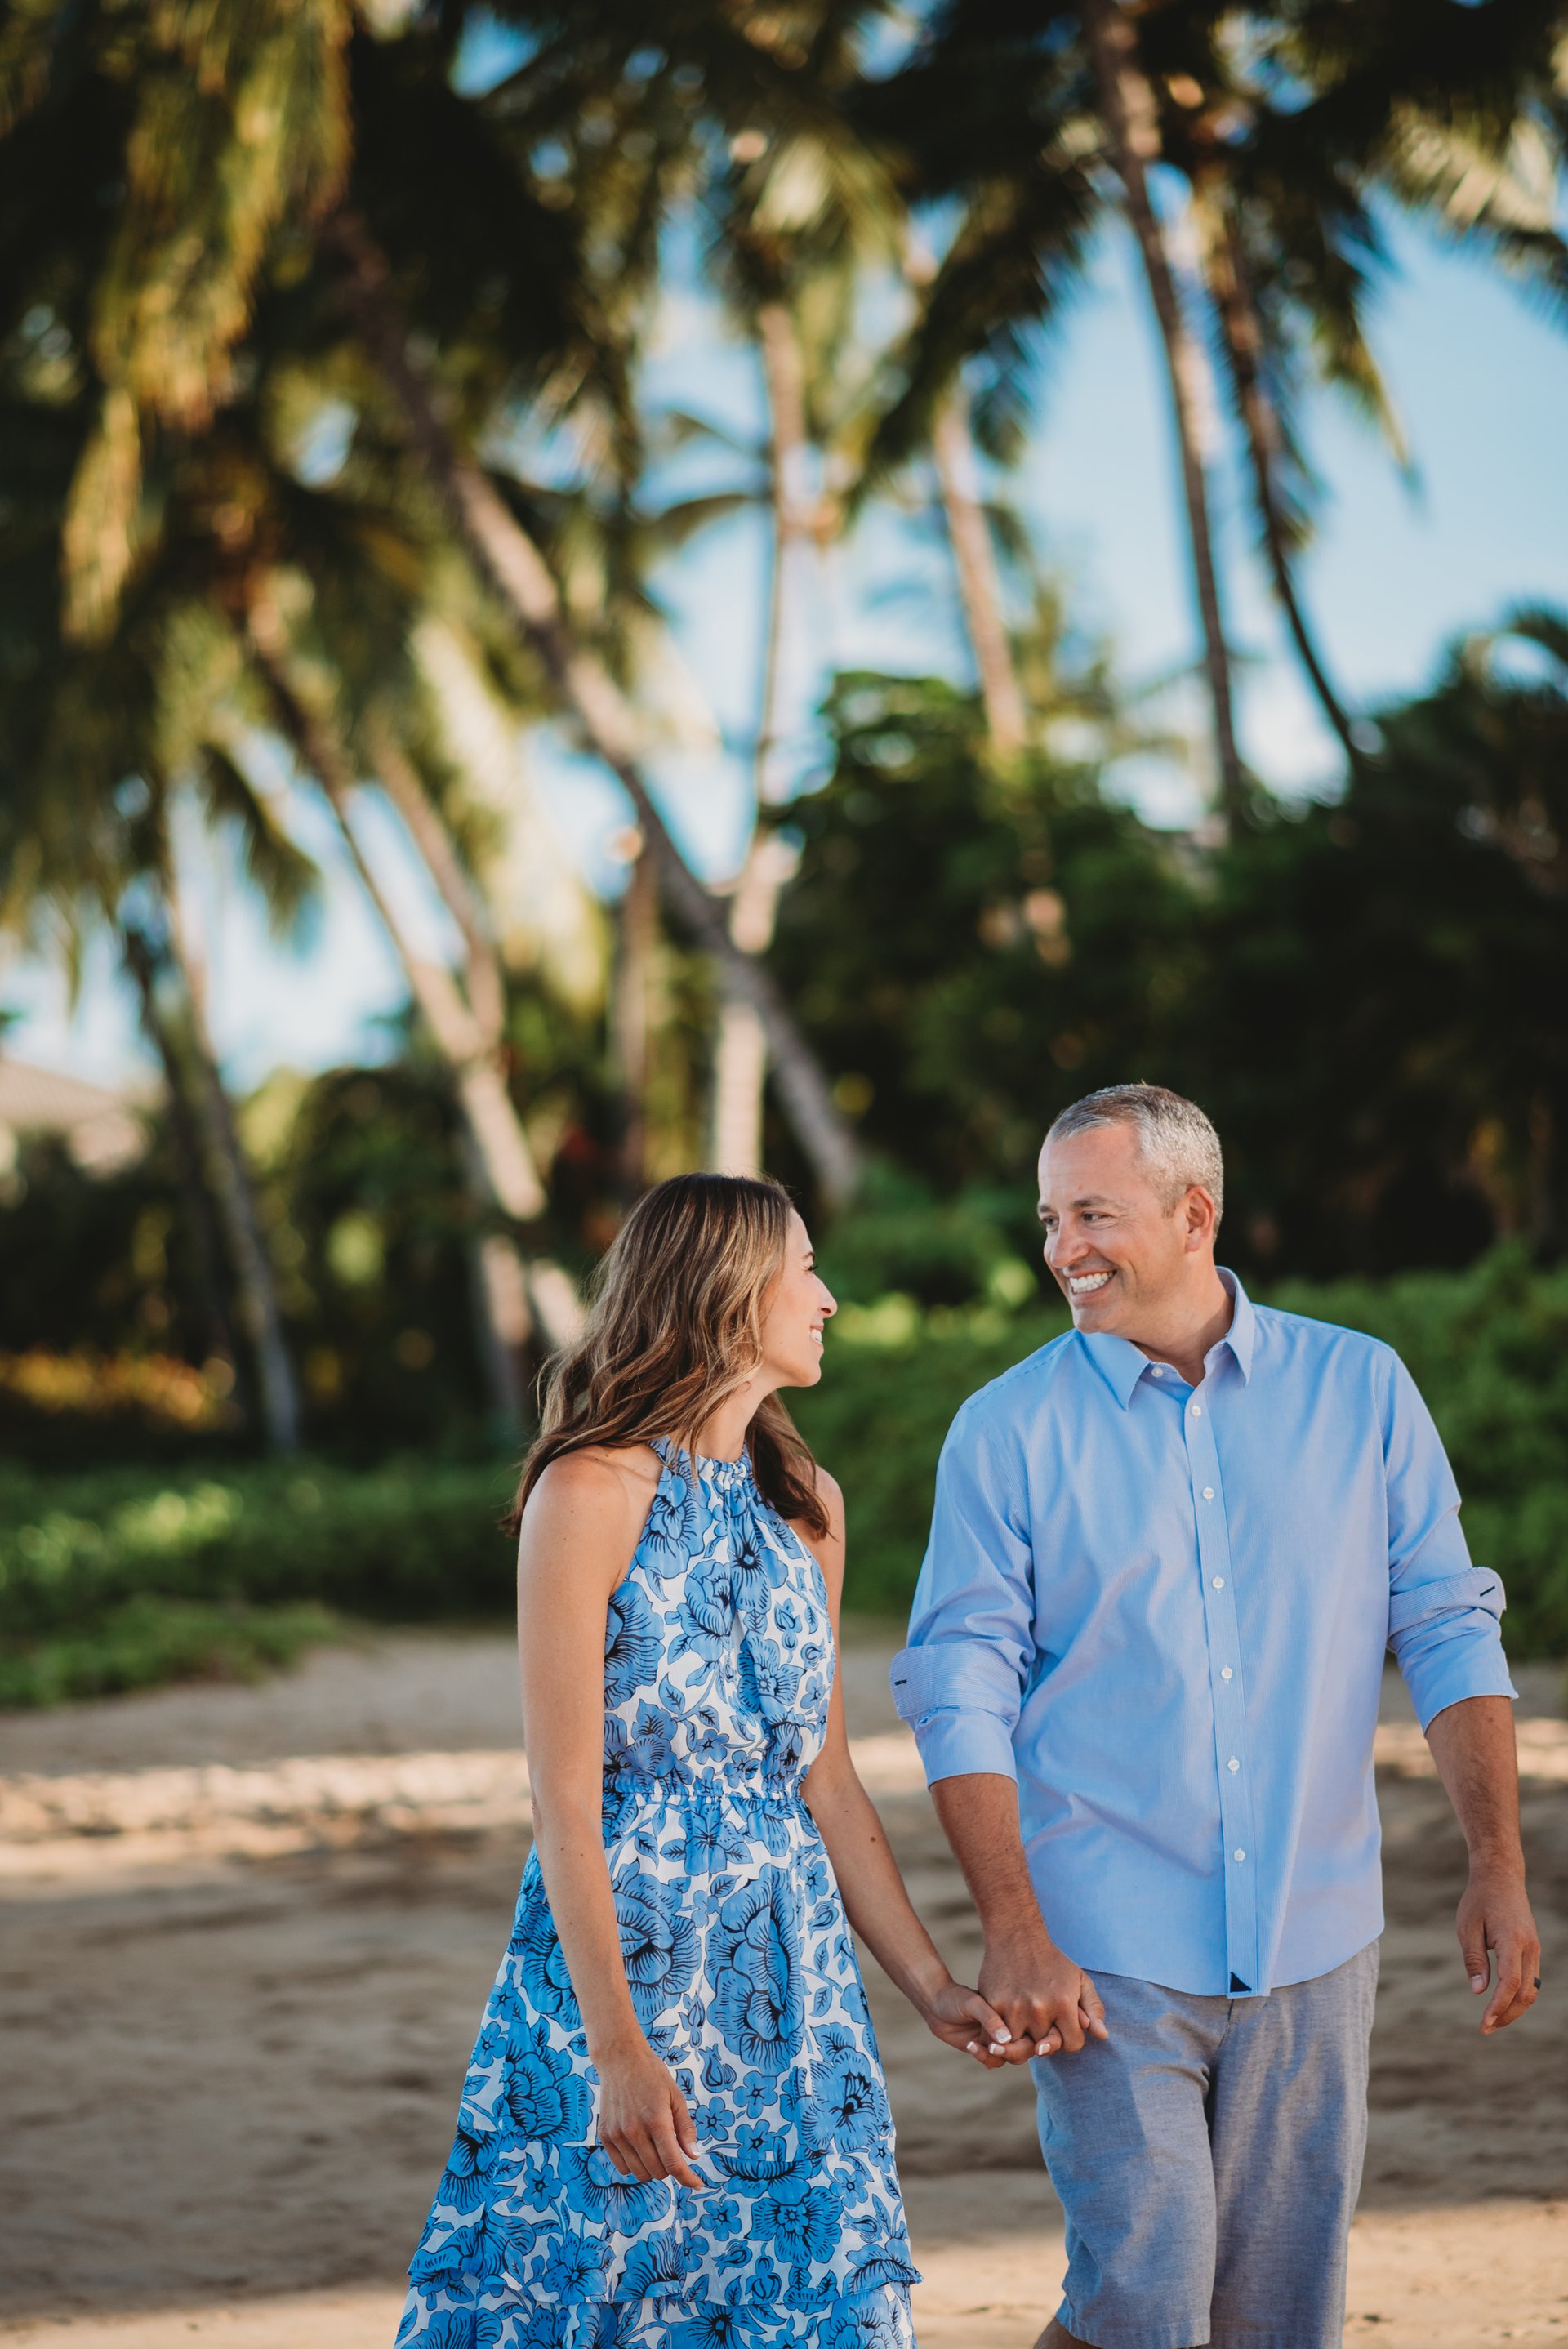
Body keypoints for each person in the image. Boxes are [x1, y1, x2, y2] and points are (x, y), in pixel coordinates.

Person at [893, 1083, 1541, 2349]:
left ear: (1196, 1214)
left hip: (1317, 1928)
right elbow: (958, 1681)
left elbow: (1450, 1627)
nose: (1060, 1249)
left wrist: (1499, 1866)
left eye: (1092, 1213)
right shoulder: (1005, 1430)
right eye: (1048, 1219)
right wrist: (1015, 1931)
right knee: (1144, 2295)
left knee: (1280, 2315)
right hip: (1104, 1946)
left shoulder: (1363, 1390)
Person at [398, 1171, 1006, 2349]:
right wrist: (617, 2053)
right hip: (620, 1977)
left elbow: (825, 1783)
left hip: (795, 1993)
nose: (828, 1298)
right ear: (731, 1292)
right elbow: (566, 1801)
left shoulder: (807, 1511)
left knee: (798, 2298)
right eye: (807, 1270)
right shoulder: (589, 1489)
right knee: (585, 2293)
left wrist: (930, 1987)